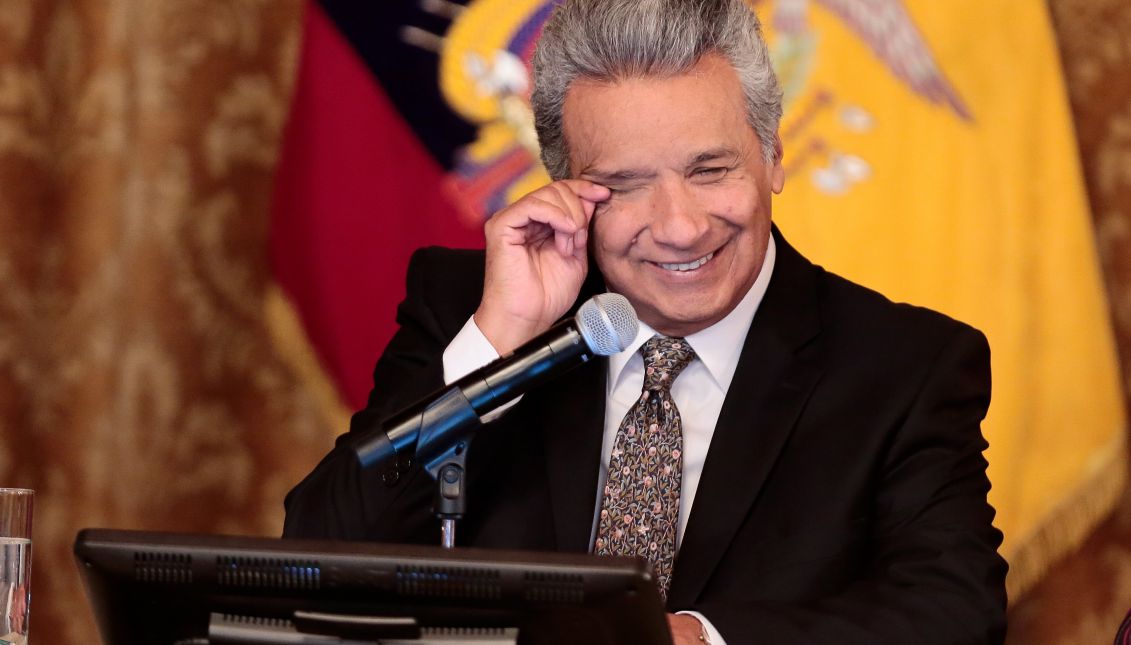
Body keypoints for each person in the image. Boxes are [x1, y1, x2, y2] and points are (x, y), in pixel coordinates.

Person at [283, 0, 1008, 642]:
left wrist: (694, 640)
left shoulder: (904, 367)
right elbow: (315, 556)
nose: (679, 227)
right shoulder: (468, 305)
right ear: (565, 187)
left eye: (709, 170)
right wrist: (495, 344)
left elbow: (953, 612)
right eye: (624, 185)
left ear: (773, 156)